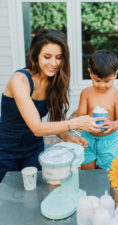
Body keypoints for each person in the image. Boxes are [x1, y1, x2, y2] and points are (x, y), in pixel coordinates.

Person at [0, 29, 104, 182]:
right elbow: (36, 127)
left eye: (59, 57)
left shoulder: (54, 82)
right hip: (6, 149)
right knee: (8, 196)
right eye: (47, 57)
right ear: (36, 55)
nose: (54, 63)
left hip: (33, 148)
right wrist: (76, 123)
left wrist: (69, 137)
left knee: (36, 193)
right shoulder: (19, 80)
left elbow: (54, 121)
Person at [77, 49, 118, 170]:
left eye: (107, 81)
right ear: (90, 73)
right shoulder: (86, 93)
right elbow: (80, 115)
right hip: (88, 138)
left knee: (107, 173)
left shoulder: (117, 96)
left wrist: (114, 124)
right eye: (97, 80)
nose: (102, 85)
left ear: (116, 74)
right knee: (87, 172)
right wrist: (87, 121)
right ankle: (89, 188)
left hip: (109, 141)